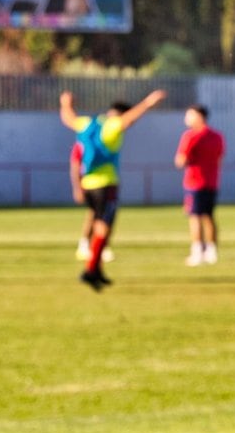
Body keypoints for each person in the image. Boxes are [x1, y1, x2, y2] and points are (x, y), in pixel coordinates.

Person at [60, 88, 166, 291]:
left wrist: (65, 103)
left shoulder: (87, 123)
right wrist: (148, 103)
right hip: (106, 184)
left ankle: (96, 269)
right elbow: (128, 120)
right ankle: (90, 270)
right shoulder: (112, 126)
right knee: (104, 227)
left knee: (97, 222)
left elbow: (68, 118)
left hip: (87, 183)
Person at [174, 104, 225, 266]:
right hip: (212, 181)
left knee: (195, 217)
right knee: (209, 216)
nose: (186, 119)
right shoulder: (217, 136)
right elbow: (220, 158)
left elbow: (180, 161)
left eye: (189, 115)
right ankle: (212, 251)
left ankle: (197, 252)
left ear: (198, 116)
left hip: (194, 182)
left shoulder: (191, 136)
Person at [69, 142, 113, 263]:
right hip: (89, 184)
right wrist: (77, 188)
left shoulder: (102, 142)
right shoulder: (81, 145)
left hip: (105, 183)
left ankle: (99, 246)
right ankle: (86, 245)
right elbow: (75, 166)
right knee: (95, 215)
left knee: (101, 215)